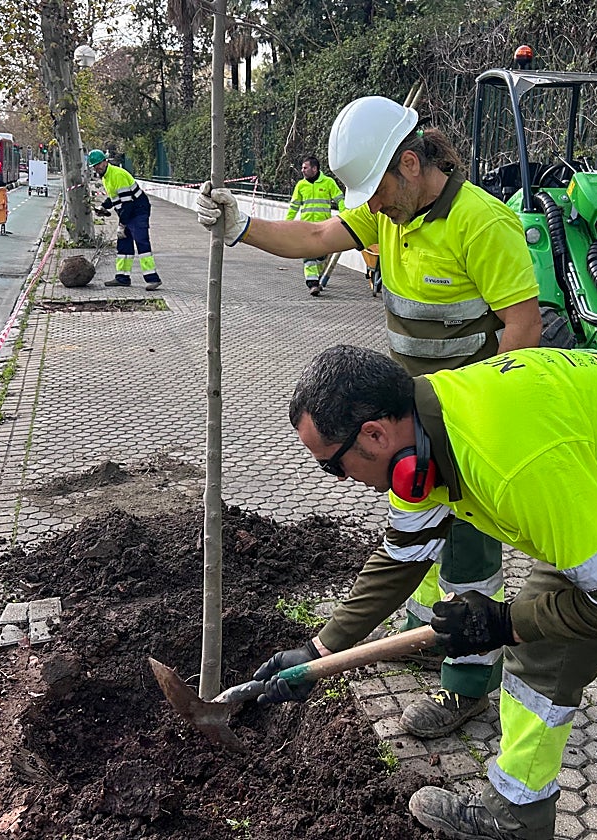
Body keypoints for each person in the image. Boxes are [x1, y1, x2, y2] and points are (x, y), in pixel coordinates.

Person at [262, 344, 597, 840]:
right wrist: (319, 652)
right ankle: (515, 816)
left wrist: (507, 623)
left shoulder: (508, 458)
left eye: (333, 467)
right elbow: (401, 557)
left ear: (376, 434)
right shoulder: (426, 438)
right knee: (541, 662)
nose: (340, 479)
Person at [197, 96, 543, 740]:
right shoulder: (389, 212)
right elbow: (315, 235)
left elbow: (521, 334)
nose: (372, 208)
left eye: (378, 192)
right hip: (405, 420)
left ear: (409, 165)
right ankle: (422, 635)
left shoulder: (483, 225)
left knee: (469, 557)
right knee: (413, 537)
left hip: (466, 426)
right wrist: (239, 225)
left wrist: (481, 430)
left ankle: (469, 688)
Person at [88, 149, 161, 290]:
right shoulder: (106, 177)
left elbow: (128, 203)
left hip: (138, 210)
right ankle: (122, 278)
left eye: (99, 164)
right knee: (124, 245)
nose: (97, 168)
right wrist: (104, 207)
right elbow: (115, 197)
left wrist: (122, 224)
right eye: (94, 166)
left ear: (105, 161)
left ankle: (153, 279)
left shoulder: (118, 175)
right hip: (128, 211)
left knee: (141, 242)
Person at [285, 154, 344, 295]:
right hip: (306, 228)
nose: (302, 170)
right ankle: (312, 283)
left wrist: (344, 216)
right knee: (308, 255)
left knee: (321, 257)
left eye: (305, 167)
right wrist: (287, 224)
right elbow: (294, 206)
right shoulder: (301, 185)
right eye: (302, 168)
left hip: (324, 227)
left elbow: (340, 199)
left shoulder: (328, 183)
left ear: (315, 169)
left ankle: (316, 278)